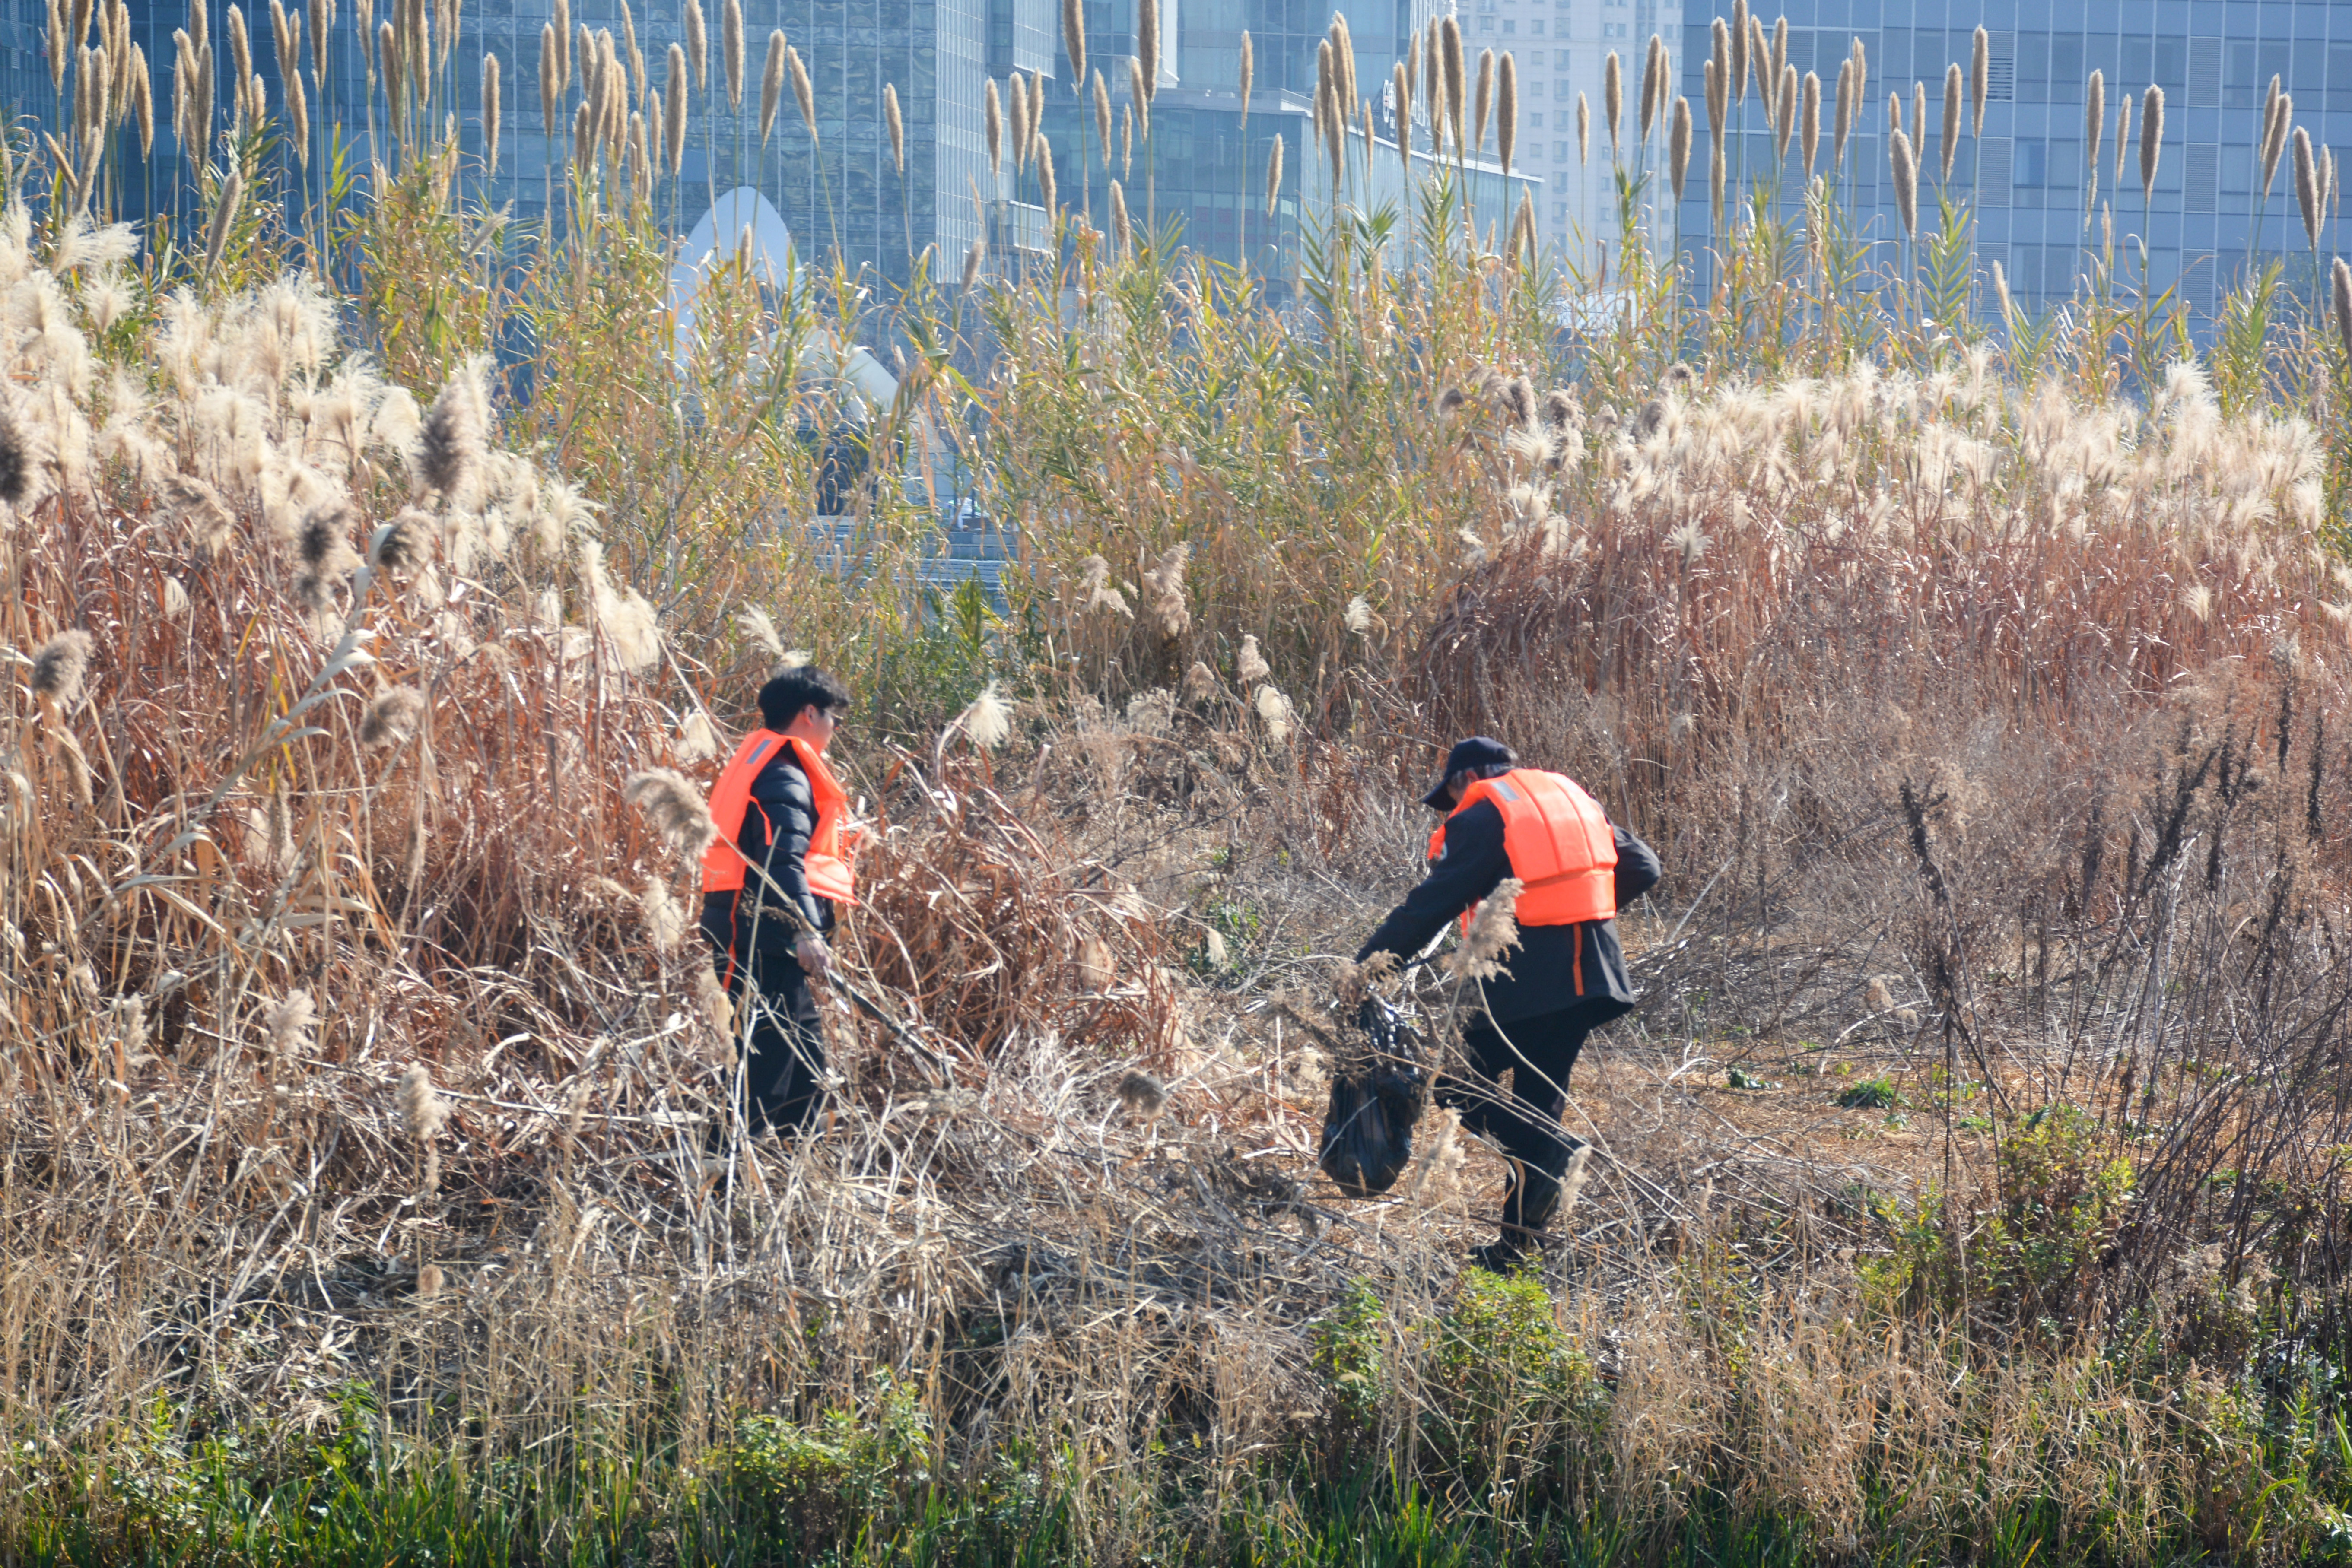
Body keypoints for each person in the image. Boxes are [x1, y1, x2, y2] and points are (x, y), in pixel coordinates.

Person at [1356, 736, 1660, 1274]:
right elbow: (1642, 865)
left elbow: (1430, 904)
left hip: (1522, 980)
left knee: (1454, 1082)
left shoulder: (1484, 812)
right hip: (1591, 977)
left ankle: (1555, 1154)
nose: (1451, 808)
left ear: (1461, 779)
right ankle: (1516, 1252)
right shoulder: (1561, 801)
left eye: (1449, 797)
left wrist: (1366, 967)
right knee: (1536, 1106)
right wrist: (1577, 912)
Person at [699, 667, 860, 1136]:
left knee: (805, 1055)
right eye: (833, 717)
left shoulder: (771, 767)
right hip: (757, 935)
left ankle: (795, 1167)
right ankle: (718, 1178)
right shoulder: (784, 776)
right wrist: (806, 930)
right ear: (809, 713)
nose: (835, 727)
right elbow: (780, 860)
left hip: (764, 932)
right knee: (764, 1062)